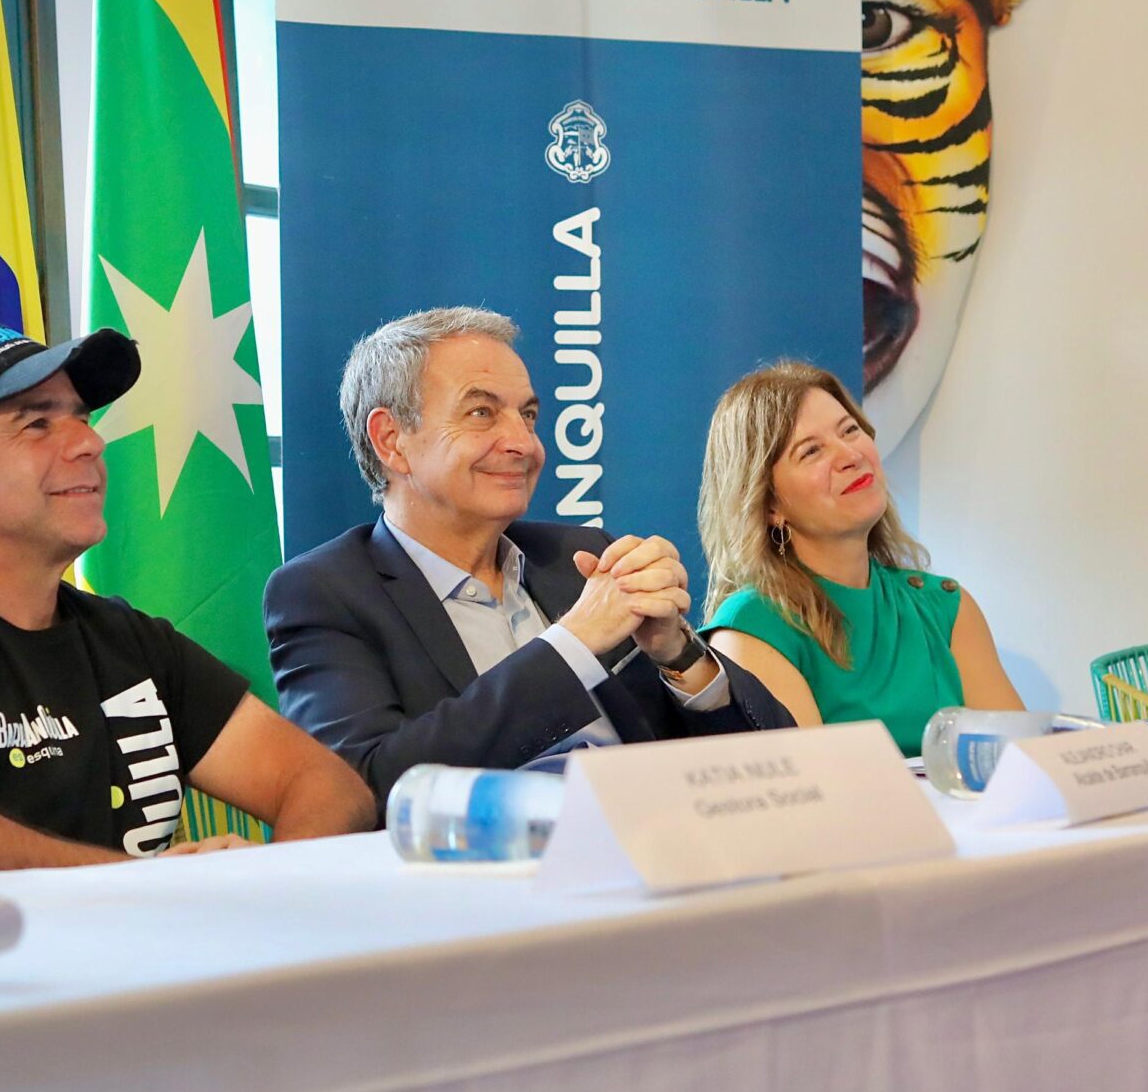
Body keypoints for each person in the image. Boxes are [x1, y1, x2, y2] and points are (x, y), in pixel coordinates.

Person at [0, 323, 371, 870]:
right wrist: (145, 890)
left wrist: (266, 890)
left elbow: (328, 786)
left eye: (79, 417)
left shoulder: (128, 640)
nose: (90, 441)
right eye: (35, 424)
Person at [265, 308, 794, 807]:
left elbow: (775, 758)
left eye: (529, 415)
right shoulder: (324, 593)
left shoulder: (581, 558)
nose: (523, 443)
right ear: (392, 440)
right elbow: (363, 790)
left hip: (657, 860)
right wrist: (574, 643)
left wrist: (675, 654)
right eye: (481, 413)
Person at [696, 360, 1020, 757]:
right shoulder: (751, 627)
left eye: (850, 430)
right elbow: (817, 796)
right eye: (811, 451)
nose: (850, 454)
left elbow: (1018, 763)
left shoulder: (945, 606)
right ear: (769, 506)